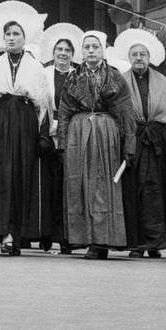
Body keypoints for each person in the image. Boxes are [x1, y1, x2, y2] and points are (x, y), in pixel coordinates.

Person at [56, 30, 136, 260]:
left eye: (95, 47)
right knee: (79, 185)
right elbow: (64, 112)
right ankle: (83, 237)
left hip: (105, 133)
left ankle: (102, 240)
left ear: (103, 50)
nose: (91, 51)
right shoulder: (73, 78)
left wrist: (129, 143)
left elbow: (126, 112)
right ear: (82, 51)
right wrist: (63, 143)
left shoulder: (114, 76)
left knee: (102, 185)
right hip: (78, 133)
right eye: (87, 47)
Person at [0, 14, 51, 255]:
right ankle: (3, 231)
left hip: (24, 123)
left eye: (16, 34)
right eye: (8, 34)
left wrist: (42, 134)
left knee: (21, 177)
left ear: (24, 38)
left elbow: (42, 104)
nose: (11, 38)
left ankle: (16, 233)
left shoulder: (35, 67)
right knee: (1, 178)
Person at [114, 28, 166, 258]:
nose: (139, 58)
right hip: (133, 143)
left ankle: (155, 243)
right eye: (135, 54)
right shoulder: (121, 81)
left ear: (149, 57)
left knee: (157, 193)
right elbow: (118, 113)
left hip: (157, 146)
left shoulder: (161, 80)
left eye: (143, 54)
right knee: (134, 193)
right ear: (129, 58)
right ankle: (136, 242)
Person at [36, 21, 82, 253]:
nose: (63, 54)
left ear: (73, 55)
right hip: (47, 134)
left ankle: (67, 236)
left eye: (67, 50)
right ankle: (45, 234)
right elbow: (37, 104)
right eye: (59, 50)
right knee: (47, 186)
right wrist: (48, 127)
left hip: (71, 134)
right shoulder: (43, 74)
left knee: (68, 187)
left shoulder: (79, 75)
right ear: (52, 52)